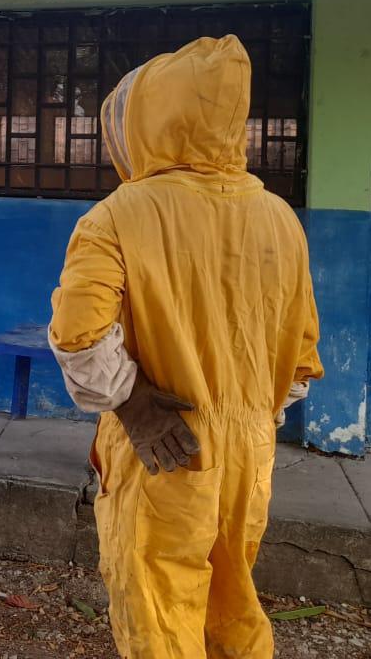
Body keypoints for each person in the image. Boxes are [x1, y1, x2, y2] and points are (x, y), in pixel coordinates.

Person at [47, 35, 323, 659]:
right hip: (251, 455)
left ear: (153, 120)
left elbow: (78, 335)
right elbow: (301, 357)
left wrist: (135, 405)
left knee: (158, 610)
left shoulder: (117, 215)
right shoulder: (282, 218)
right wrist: (253, 417)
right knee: (234, 602)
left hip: (164, 447)